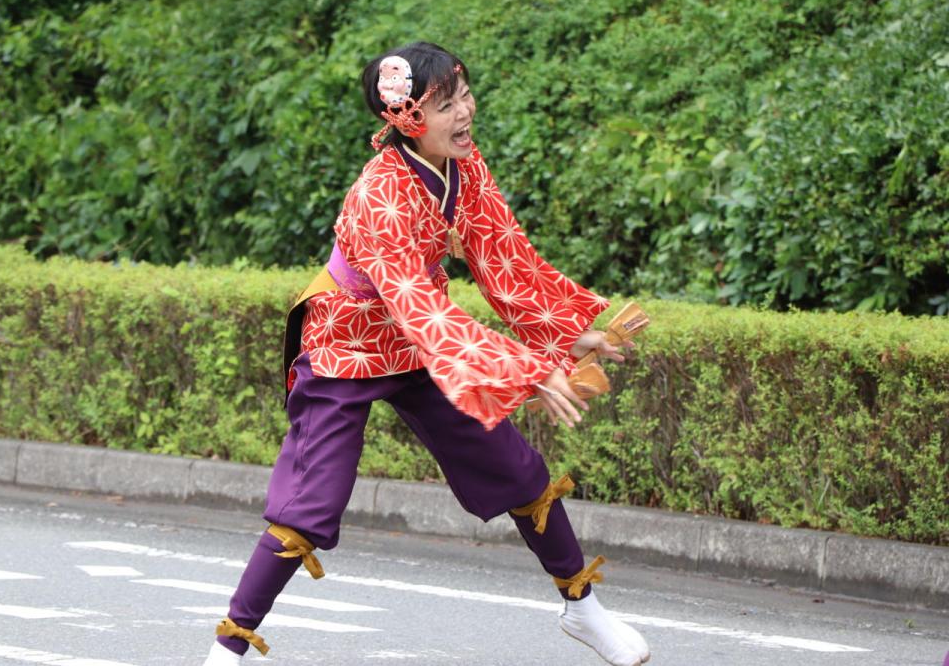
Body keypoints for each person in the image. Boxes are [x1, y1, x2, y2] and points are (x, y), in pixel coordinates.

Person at [202, 42, 650, 666]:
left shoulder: (465, 168)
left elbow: (505, 260)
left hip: (417, 347)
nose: (465, 112)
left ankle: (583, 609)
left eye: (464, 95)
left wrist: (569, 336)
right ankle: (227, 651)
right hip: (346, 346)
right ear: (408, 119)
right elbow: (424, 312)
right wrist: (528, 367)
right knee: (308, 507)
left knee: (517, 470)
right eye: (446, 104)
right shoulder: (380, 194)